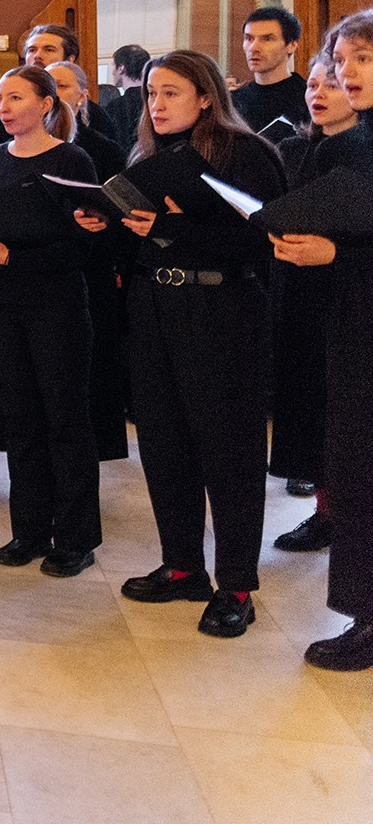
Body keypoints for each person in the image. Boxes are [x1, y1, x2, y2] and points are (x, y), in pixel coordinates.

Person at [74, 50, 286, 637]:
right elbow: (142, 246)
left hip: (223, 310)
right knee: (165, 441)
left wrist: (169, 227)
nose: (157, 104)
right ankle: (183, 565)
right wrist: (109, 226)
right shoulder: (150, 157)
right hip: (155, 307)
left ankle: (237, 583)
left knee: (229, 449)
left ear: (206, 97)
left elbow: (260, 242)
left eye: (170, 92)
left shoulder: (248, 154)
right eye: (150, 94)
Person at [0, 66, 102, 576]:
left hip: (56, 304)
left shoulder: (71, 159)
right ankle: (28, 528)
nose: (2, 106)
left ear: (46, 104)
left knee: (64, 420)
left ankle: (75, 537)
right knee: (19, 417)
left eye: (15, 97)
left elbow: (83, 245)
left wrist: (12, 260)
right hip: (3, 305)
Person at [274, 11, 373, 670]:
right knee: (356, 471)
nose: (348, 73)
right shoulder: (354, 142)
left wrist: (332, 252)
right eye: (342, 61)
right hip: (355, 324)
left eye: (363, 58)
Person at [266, 57, 358, 551]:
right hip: (300, 293)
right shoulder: (298, 149)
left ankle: (348, 517)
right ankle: (325, 511)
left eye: (332, 83)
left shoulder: (360, 153)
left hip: (350, 293)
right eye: (314, 83)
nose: (316, 93)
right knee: (311, 407)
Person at [49, 60, 132, 463]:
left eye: (63, 85)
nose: (55, 94)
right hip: (44, 267)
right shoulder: (25, 145)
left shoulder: (103, 147)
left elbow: (122, 210)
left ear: (83, 94)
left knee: (94, 362)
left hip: (93, 268)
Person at [0, 24, 118, 143]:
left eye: (49, 50)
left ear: (70, 58)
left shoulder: (94, 115)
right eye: (32, 50)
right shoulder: (8, 113)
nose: (37, 56)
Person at [231, 6, 309, 132]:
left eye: (267, 39)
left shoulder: (309, 98)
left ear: (291, 45)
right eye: (249, 38)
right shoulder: (232, 101)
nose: (254, 47)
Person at [106, 44, 150, 142]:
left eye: (113, 66)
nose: (113, 72)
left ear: (121, 68)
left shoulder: (115, 107)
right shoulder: (154, 101)